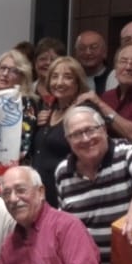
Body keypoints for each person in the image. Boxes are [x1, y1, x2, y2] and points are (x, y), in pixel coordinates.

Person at [55, 106, 132, 264]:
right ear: (68, 140)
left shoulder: (127, 151)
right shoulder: (62, 172)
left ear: (104, 129)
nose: (86, 138)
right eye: (76, 134)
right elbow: (65, 223)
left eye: (90, 130)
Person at [75, 42, 132, 154]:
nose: (128, 67)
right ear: (115, 69)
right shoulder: (108, 97)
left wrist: (100, 104)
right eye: (123, 61)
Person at [30, 56, 90, 208]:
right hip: (42, 194)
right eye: (55, 77)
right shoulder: (48, 111)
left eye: (67, 77)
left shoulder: (83, 113)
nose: (59, 82)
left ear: (78, 83)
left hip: (69, 193)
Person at [0, 49, 38, 164]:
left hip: (15, 165)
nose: (5, 74)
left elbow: (24, 143)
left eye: (13, 71)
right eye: (2, 68)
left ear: (22, 77)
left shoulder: (25, 102)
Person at [73, 30, 109, 94]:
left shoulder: (114, 77)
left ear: (104, 52)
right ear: (76, 53)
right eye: (82, 48)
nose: (88, 52)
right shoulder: (72, 78)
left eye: (93, 47)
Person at [31, 37, 66, 102]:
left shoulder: (68, 92)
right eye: (43, 59)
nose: (48, 63)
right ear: (35, 62)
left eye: (53, 60)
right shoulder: (25, 91)